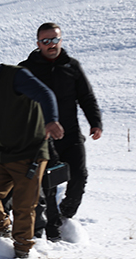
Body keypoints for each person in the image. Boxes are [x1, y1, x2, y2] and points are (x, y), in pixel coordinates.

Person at [0, 43, 64, 259]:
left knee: (24, 205)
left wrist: (52, 120)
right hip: (2, 152)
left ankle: (22, 253)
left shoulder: (16, 76)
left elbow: (45, 94)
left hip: (30, 152)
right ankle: (1, 232)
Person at [18, 23, 102, 221]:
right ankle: (44, 221)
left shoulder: (71, 66)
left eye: (55, 39)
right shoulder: (26, 69)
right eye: (46, 41)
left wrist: (95, 123)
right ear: (38, 43)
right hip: (39, 137)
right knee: (44, 183)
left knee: (79, 176)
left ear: (61, 40)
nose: (51, 44)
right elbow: (13, 102)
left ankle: (65, 216)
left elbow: (86, 97)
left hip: (70, 133)